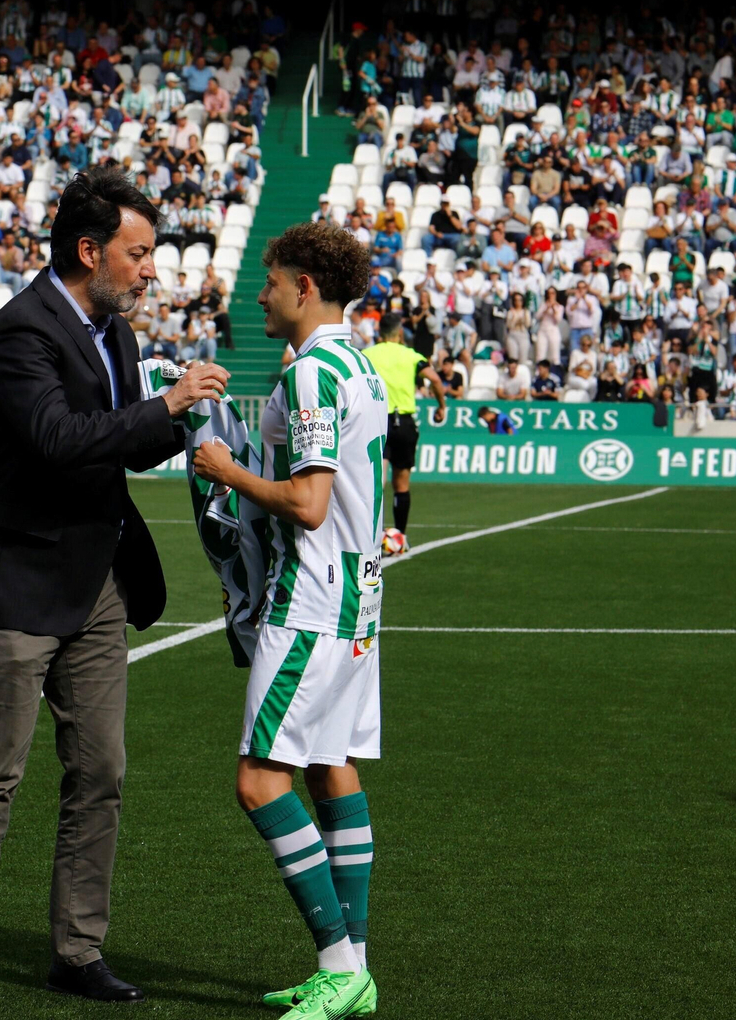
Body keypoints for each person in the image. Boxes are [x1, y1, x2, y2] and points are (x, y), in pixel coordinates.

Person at [0, 166, 229, 1014]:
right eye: (138, 254)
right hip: (18, 580)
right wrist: (164, 402)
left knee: (100, 771)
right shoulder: (21, 329)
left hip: (98, 582)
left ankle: (77, 948)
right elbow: (60, 439)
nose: (150, 270)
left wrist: (190, 424)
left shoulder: (116, 332)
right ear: (90, 251)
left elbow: (123, 448)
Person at [190, 221, 382, 1020]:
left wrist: (225, 469)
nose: (260, 293)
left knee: (259, 781)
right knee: (330, 765)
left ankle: (339, 964)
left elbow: (307, 504)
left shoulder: (310, 376)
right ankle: (354, 969)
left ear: (306, 287)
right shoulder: (358, 362)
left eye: (271, 281)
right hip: (358, 598)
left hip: (312, 600)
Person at [359, 312, 446, 550]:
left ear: (379, 333)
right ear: (399, 333)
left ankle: (368, 537)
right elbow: (436, 380)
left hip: (376, 421)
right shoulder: (411, 355)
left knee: (377, 482)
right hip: (404, 422)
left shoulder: (366, 355)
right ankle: (401, 537)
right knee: (402, 484)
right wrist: (441, 406)